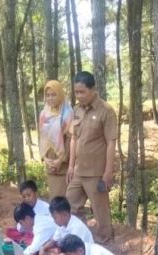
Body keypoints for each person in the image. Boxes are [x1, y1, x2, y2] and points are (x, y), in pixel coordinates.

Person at [66, 71, 117, 244]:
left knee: (100, 213)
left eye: (82, 92)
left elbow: (111, 142)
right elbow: (74, 138)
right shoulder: (77, 110)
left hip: (96, 173)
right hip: (79, 170)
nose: (79, 96)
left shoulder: (106, 111)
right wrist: (71, 166)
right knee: (69, 205)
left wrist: (108, 172)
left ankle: (106, 245)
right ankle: (79, 240)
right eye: (76, 92)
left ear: (93, 89)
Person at [23, 197, 93, 255]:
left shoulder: (77, 227)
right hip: (69, 253)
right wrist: (43, 248)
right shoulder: (62, 224)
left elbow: (73, 254)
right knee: (50, 251)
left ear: (64, 215)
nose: (54, 221)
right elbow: (54, 241)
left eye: (55, 218)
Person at [37, 81, 73, 202]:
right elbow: (43, 137)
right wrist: (45, 158)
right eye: (48, 95)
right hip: (50, 162)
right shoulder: (44, 114)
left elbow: (70, 139)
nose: (50, 98)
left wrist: (60, 160)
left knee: (63, 201)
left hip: (64, 164)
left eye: (54, 94)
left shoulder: (68, 113)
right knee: (53, 200)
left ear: (60, 95)